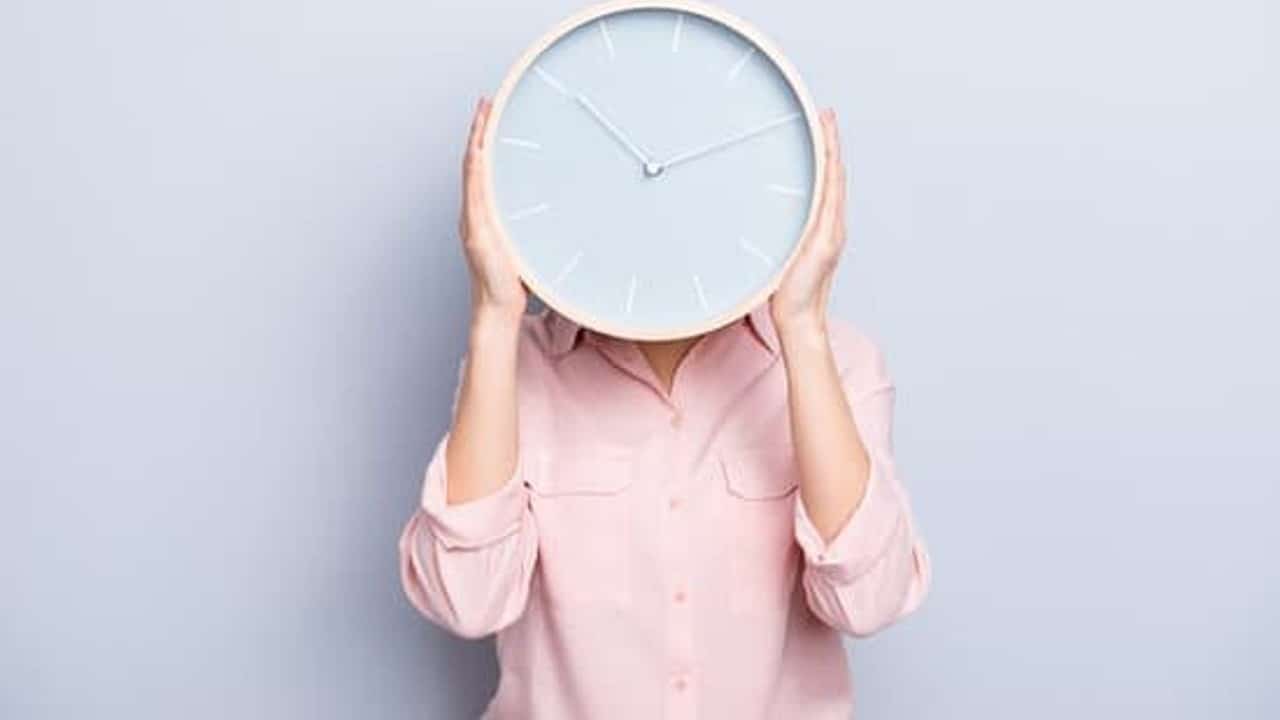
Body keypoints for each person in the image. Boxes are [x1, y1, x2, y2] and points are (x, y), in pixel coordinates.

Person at [397, 97, 931, 719]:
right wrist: (492, 313)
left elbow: (870, 601)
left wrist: (802, 327)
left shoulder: (838, 362)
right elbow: (467, 601)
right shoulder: (515, 370)